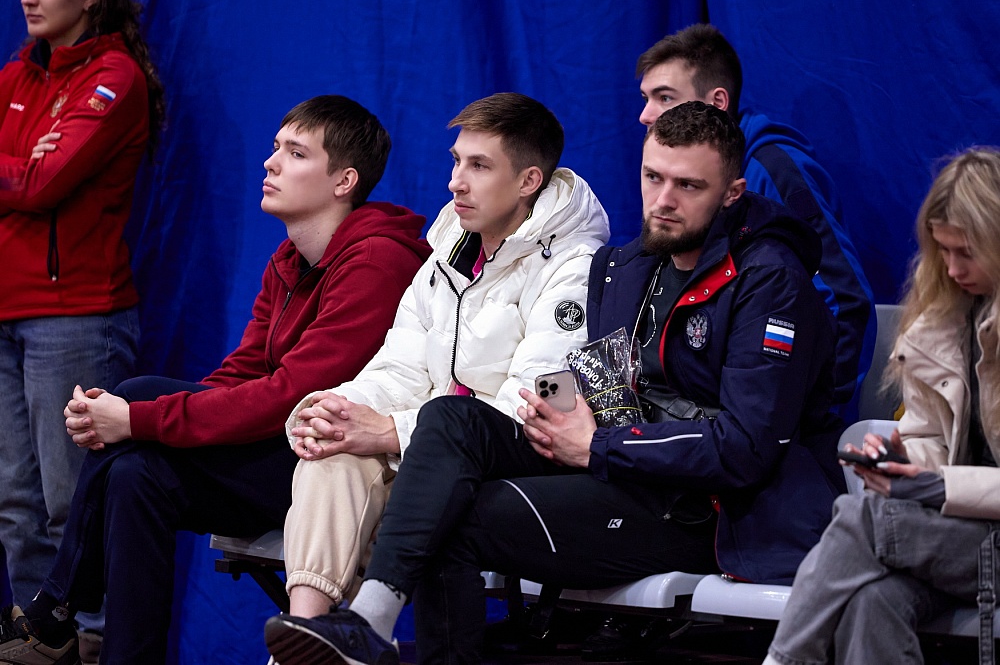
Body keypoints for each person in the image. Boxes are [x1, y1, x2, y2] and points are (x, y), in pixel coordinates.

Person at [264, 102, 845, 665]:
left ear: (733, 193)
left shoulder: (770, 281)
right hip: (620, 473)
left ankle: (368, 625)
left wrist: (598, 444)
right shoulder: (628, 266)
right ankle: (367, 623)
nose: (663, 200)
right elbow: (607, 391)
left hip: (715, 514)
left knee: (452, 517)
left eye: (688, 186)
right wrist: (580, 419)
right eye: (652, 177)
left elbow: (745, 448)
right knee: (448, 420)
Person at [0, 94, 430, 664]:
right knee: (133, 472)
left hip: (330, 470)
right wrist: (142, 424)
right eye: (275, 147)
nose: (270, 162)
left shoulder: (377, 261)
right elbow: (242, 371)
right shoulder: (288, 260)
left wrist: (137, 417)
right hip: (279, 453)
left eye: (296, 153)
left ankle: (54, 610)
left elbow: (292, 395)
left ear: (343, 181)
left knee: (138, 399)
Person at [275, 92, 610, 622]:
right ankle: (309, 632)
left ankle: (335, 638)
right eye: (456, 161)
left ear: (528, 181)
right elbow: (399, 367)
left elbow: (536, 407)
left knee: (401, 438)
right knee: (332, 452)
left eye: (479, 166)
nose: (456, 181)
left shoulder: (576, 268)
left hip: (510, 463)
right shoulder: (446, 252)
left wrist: (389, 431)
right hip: (428, 448)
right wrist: (338, 410)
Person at [764, 147, 1000, 665]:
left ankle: (783, 659)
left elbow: (948, 483)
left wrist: (934, 486)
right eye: (943, 252)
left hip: (980, 538)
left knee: (865, 517)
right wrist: (902, 460)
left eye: (967, 252)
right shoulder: (943, 323)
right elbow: (931, 440)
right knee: (872, 602)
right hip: (963, 534)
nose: (953, 269)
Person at [0, 0, 165, 645]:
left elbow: (44, 184)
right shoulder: (17, 74)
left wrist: (28, 172)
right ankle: (41, 644)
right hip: (6, 310)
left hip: (74, 318)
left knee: (73, 504)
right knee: (16, 505)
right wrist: (24, 168)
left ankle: (97, 642)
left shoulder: (114, 76)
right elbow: (30, 180)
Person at [636, 23, 875, 416]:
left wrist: (819, 417)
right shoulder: (668, 177)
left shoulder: (773, 169)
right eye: (645, 98)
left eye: (665, 97)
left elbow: (846, 299)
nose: (646, 115)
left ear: (718, 102)